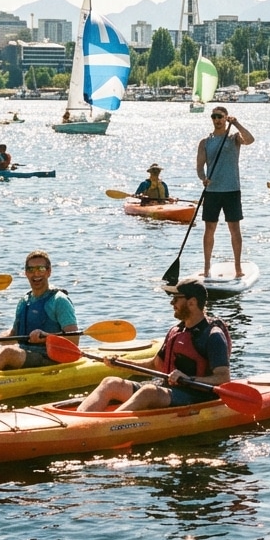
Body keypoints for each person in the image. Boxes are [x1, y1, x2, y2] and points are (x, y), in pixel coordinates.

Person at [77, 280, 230, 412]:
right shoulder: (176, 331)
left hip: (197, 396)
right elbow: (154, 365)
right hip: (170, 391)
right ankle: (78, 421)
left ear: (192, 302)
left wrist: (188, 378)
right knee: (111, 382)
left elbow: (223, 378)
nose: (172, 303)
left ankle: (103, 426)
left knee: (149, 391)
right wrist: (120, 363)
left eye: (176, 299)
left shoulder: (213, 335)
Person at [0, 251, 78, 369]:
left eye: (41, 269)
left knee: (8, 352)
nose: (36, 274)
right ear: (26, 273)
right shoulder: (24, 301)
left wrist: (46, 337)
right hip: (24, 355)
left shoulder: (59, 300)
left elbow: (74, 340)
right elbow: (13, 335)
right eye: (31, 269)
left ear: (49, 272)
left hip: (50, 358)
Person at [197, 106, 254, 279]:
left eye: (220, 117)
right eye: (214, 117)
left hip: (231, 190)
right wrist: (203, 178)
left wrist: (236, 124)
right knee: (209, 229)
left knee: (234, 229)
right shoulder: (205, 142)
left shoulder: (234, 138)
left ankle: (238, 267)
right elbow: (200, 167)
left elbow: (250, 140)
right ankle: (207, 268)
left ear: (226, 118)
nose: (217, 120)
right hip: (212, 191)